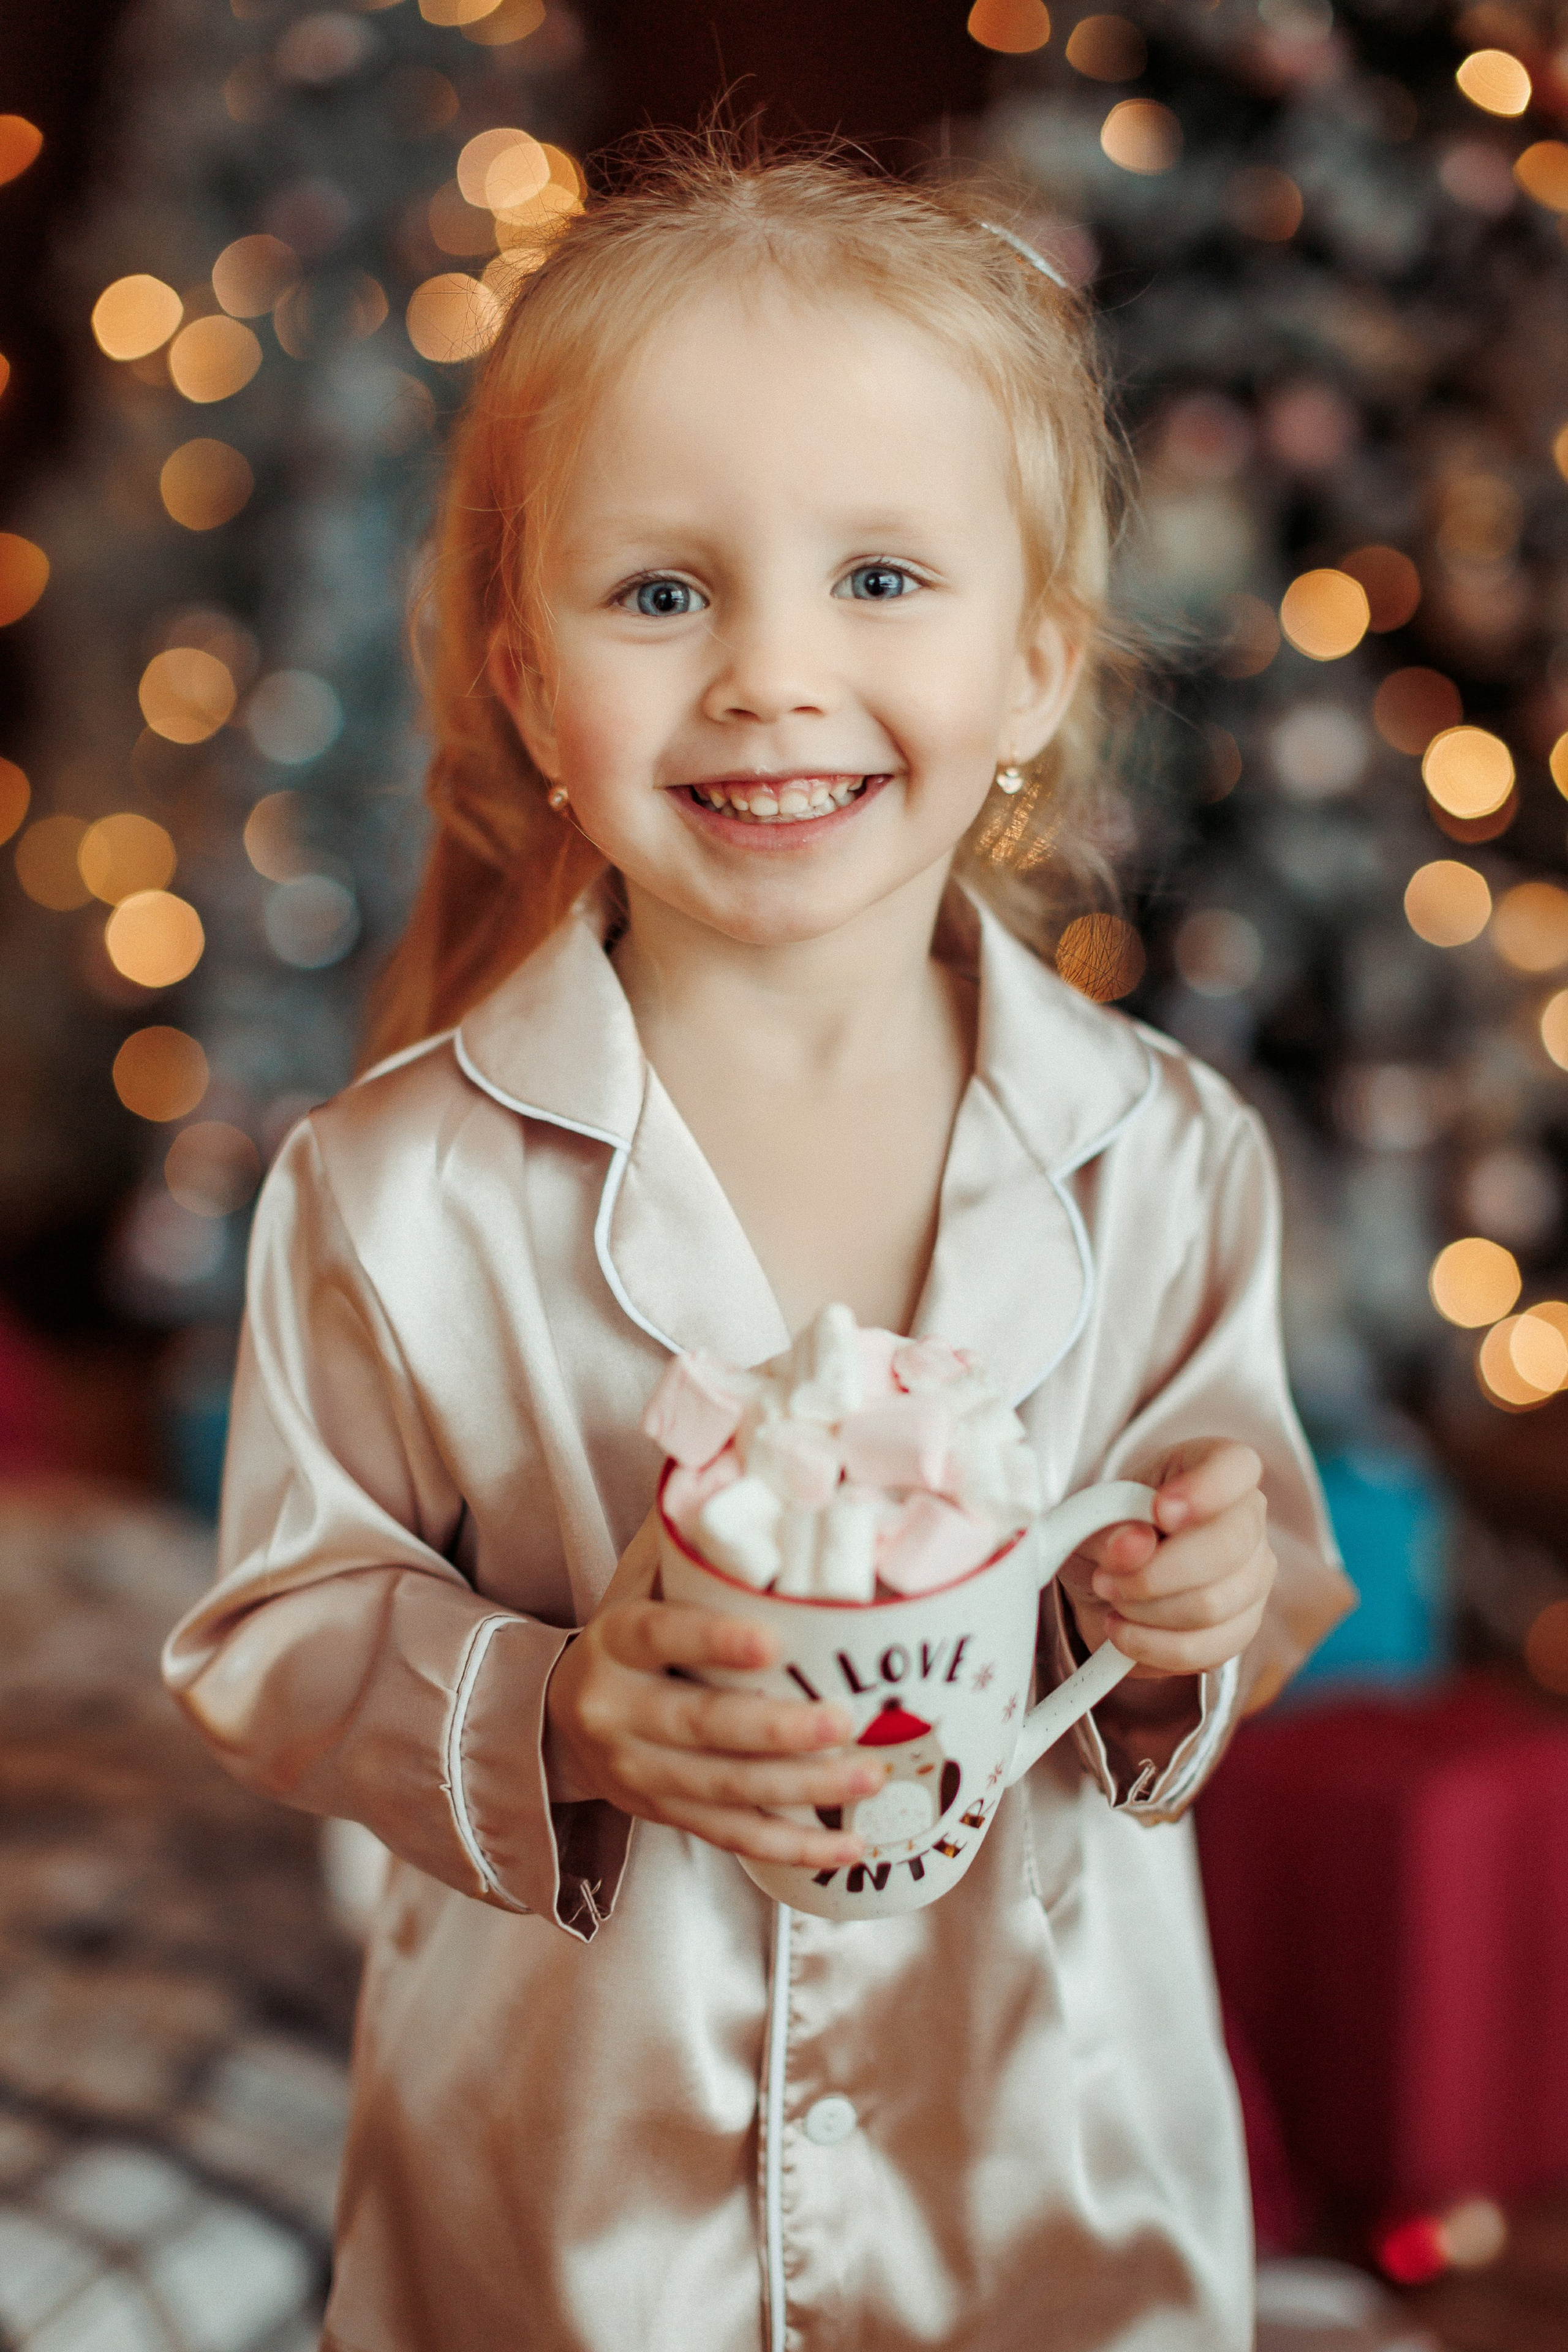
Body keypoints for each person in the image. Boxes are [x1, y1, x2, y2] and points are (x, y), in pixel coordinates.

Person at [164, 140, 1352, 2352]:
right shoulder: (392, 1189)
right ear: (529, 684)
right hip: (561, 2213)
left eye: (883, 579)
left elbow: (1252, 1554)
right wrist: (564, 1709)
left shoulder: (1164, 1158)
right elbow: (277, 1633)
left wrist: (1197, 1603)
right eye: (663, 594)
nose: (775, 678)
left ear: (1032, 668)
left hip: (1050, 2189)